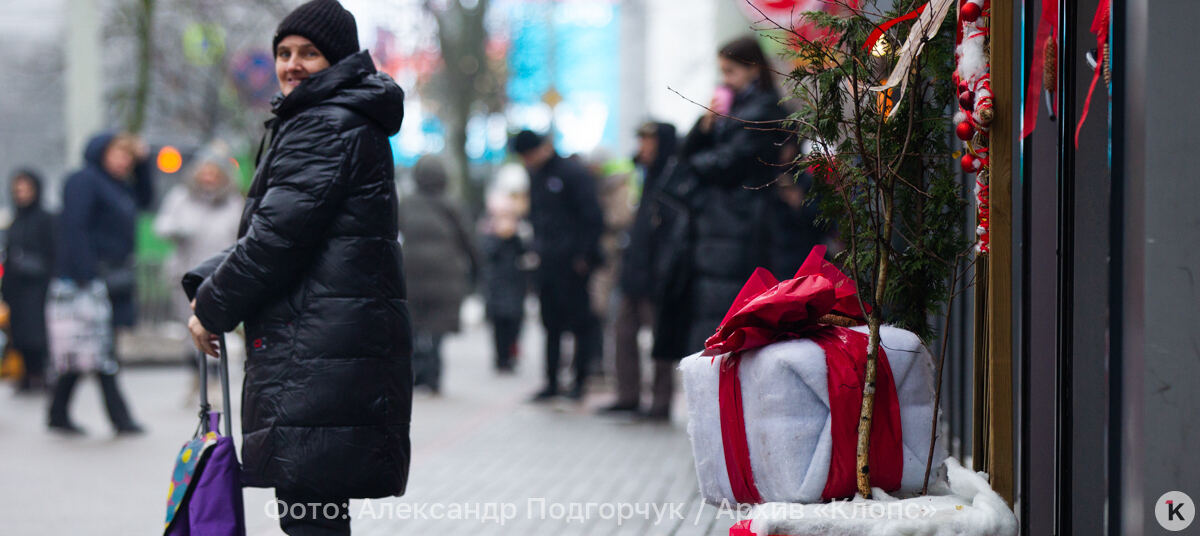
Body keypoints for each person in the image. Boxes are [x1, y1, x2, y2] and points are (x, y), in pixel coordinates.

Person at [183, 1, 411, 534]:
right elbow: (294, 230)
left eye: (309, 53)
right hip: (332, 343)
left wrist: (211, 308)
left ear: (339, 59)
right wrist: (206, 281)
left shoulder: (323, 125)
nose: (292, 64)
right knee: (317, 513)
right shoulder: (341, 118)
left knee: (310, 516)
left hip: (317, 350)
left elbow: (275, 242)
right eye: (284, 53)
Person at [660, 35, 790, 362]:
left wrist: (697, 162)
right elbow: (690, 155)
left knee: (725, 313)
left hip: (741, 224)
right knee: (710, 311)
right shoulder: (736, 109)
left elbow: (728, 163)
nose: (725, 80)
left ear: (753, 68)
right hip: (721, 226)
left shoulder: (763, 110)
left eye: (731, 71)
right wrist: (705, 126)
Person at [48, 131, 151, 436]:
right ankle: (120, 417)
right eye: (118, 153)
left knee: (85, 347)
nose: (124, 161)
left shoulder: (118, 186)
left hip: (112, 278)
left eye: (128, 156)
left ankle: (57, 412)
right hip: (90, 279)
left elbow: (145, 200)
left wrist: (144, 164)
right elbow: (75, 228)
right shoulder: (84, 181)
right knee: (101, 349)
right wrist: (87, 276)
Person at [510, 130, 604, 402]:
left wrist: (584, 256)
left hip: (573, 265)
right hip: (547, 262)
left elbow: (592, 217)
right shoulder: (536, 176)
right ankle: (551, 382)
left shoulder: (572, 174)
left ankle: (579, 381)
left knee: (579, 324)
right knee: (550, 323)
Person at [153, 142, 244, 402]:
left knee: (214, 327)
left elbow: (242, 235)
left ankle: (213, 378)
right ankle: (196, 375)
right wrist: (178, 229)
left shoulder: (233, 203)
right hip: (186, 276)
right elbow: (162, 225)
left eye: (214, 172)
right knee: (190, 330)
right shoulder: (181, 198)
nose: (208, 176)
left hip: (220, 276)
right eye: (205, 171)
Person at [600, 121, 678, 418]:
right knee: (623, 333)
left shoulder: (672, 177)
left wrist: (663, 271)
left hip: (657, 275)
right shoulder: (643, 174)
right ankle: (628, 395)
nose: (642, 147)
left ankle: (660, 402)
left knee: (660, 341)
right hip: (634, 270)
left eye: (648, 141)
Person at [399, 154, 478, 395]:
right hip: (446, 276)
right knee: (437, 328)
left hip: (412, 274)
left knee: (413, 326)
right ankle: (433, 375)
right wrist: (477, 270)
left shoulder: (406, 204)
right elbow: (469, 240)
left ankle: (417, 373)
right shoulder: (452, 204)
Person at [4, 169, 55, 393]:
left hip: (38, 287)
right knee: (20, 334)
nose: (22, 194)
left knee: (39, 334)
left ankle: (41, 373)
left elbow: (52, 253)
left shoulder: (46, 219)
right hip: (17, 288)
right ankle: (27, 374)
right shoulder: (15, 221)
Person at [479, 188, 529, 373]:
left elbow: (526, 253)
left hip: (515, 285)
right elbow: (486, 254)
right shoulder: (488, 232)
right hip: (496, 285)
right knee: (499, 324)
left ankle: (511, 354)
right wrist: (499, 236)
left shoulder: (519, 234)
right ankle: (501, 358)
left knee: (515, 323)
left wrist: (514, 235)